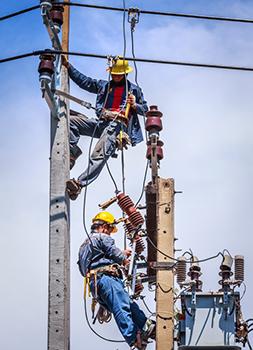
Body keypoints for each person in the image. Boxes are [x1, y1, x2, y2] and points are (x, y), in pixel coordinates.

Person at [62, 56, 148, 200]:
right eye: (113, 74)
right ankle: (72, 154)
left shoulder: (134, 90)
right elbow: (85, 82)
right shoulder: (104, 86)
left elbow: (145, 110)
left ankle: (79, 184)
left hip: (118, 127)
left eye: (118, 74)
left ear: (125, 74)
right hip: (102, 122)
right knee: (70, 121)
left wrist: (134, 105)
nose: (115, 76)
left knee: (99, 154)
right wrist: (69, 67)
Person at [78, 211, 155, 349]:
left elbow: (84, 269)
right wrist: (123, 255)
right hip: (107, 279)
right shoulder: (102, 237)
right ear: (104, 227)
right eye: (109, 230)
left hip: (96, 285)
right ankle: (132, 337)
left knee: (128, 304)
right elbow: (117, 255)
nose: (110, 233)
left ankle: (145, 326)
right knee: (122, 307)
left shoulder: (84, 246)